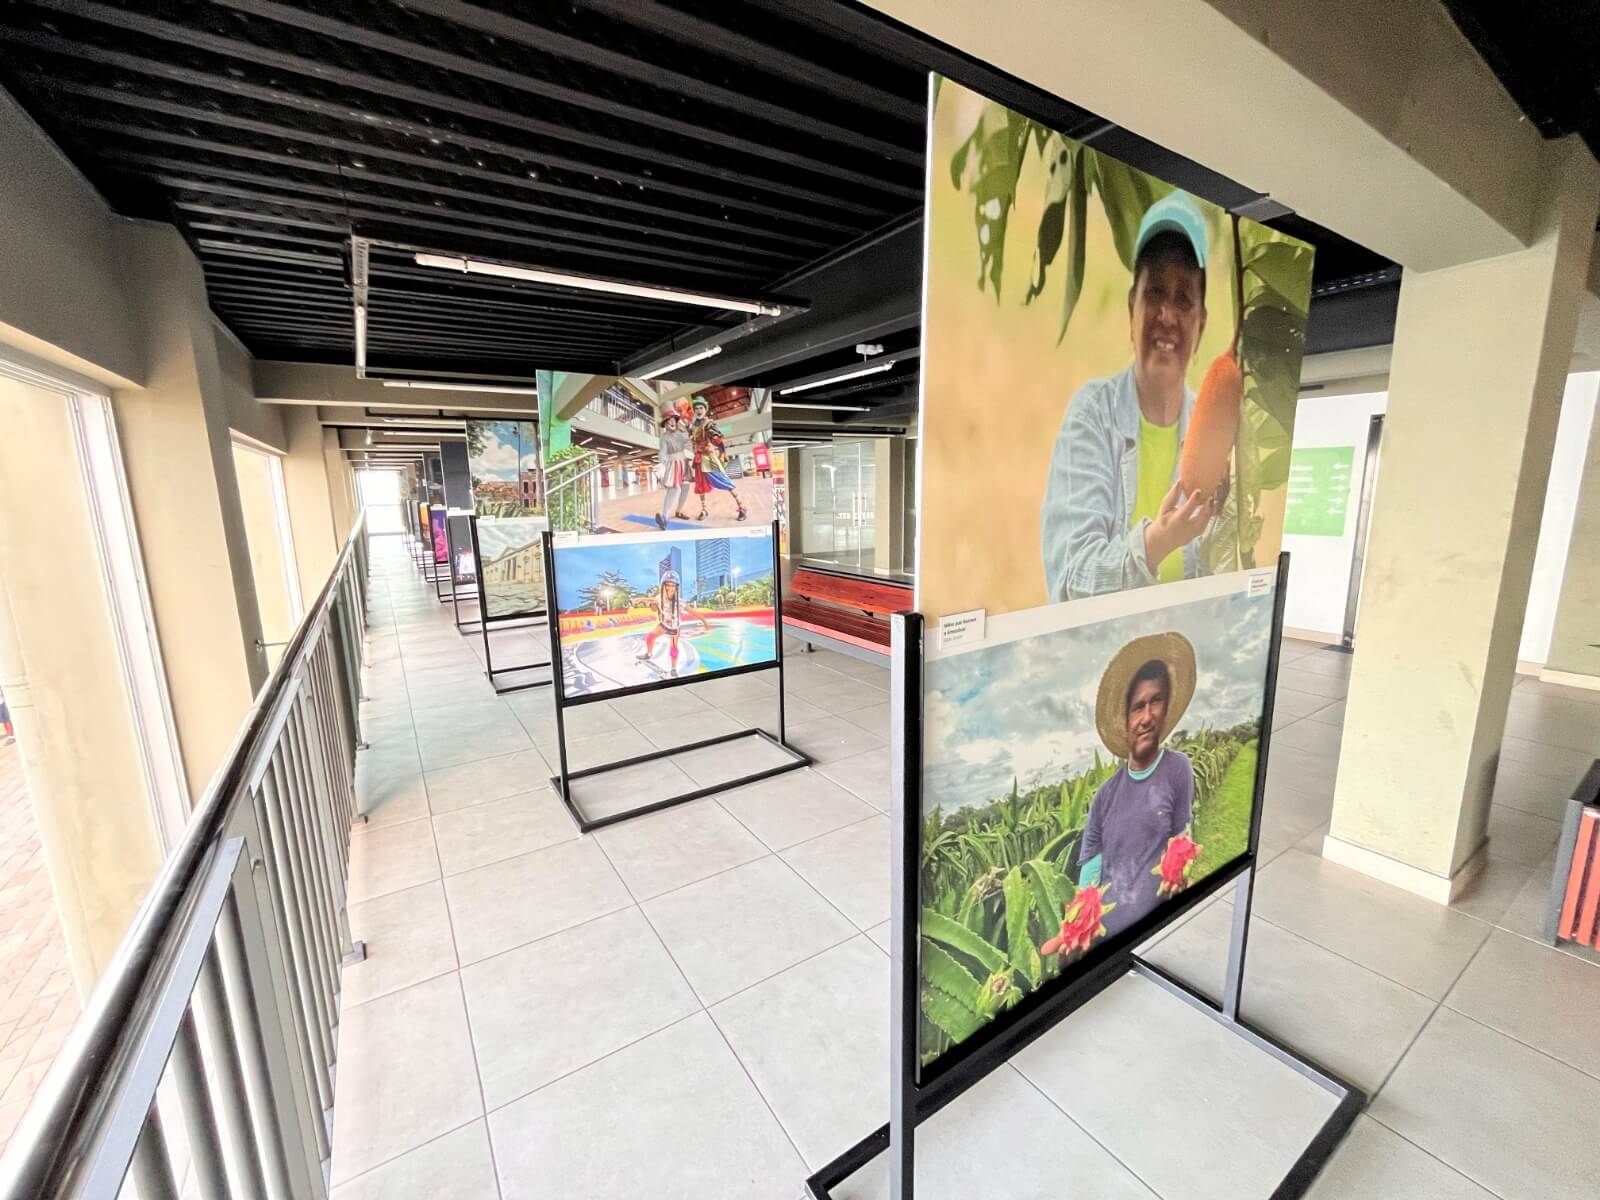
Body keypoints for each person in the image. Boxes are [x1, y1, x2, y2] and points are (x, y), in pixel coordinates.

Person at [1040, 191, 1221, 600]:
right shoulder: (1093, 414)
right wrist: (1155, 544)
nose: (1167, 315)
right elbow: (1069, 579)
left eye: (1183, 299)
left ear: (1201, 323)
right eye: (1154, 293)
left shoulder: (1212, 430)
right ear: (1131, 307)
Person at [1078, 631, 1197, 937]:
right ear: (1125, 720)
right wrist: (1079, 930)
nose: (1147, 717)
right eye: (1137, 706)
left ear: (1166, 707)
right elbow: (1090, 875)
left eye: (1156, 701)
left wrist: (1179, 880)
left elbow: (1181, 839)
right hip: (1107, 934)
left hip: (1158, 923)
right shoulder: (1104, 796)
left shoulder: (1177, 768)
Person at [635, 567, 709, 677]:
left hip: (674, 628)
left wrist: (704, 622)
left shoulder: (679, 602)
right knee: (649, 637)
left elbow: (693, 612)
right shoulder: (658, 597)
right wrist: (641, 600)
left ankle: (673, 669)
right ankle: (649, 654)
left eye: (673, 586)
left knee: (673, 649)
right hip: (664, 625)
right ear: (663, 586)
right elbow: (652, 601)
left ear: (676, 588)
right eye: (668, 585)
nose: (670, 589)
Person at [689, 396, 748, 523]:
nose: (699, 410)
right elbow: (693, 441)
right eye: (696, 408)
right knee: (700, 486)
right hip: (698, 460)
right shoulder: (692, 427)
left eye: (701, 408)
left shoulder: (708, 423)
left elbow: (716, 439)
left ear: (705, 409)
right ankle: (704, 510)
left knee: (725, 482)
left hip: (709, 459)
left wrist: (722, 450)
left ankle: (742, 506)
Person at [653, 409, 693, 529]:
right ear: (665, 425)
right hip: (673, 463)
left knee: (686, 487)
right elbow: (663, 453)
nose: (671, 422)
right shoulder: (664, 437)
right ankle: (664, 517)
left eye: (673, 420)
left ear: (676, 421)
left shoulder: (681, 433)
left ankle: (679, 511)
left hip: (683, 462)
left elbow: (688, 441)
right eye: (668, 421)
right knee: (673, 489)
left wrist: (689, 428)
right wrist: (662, 464)